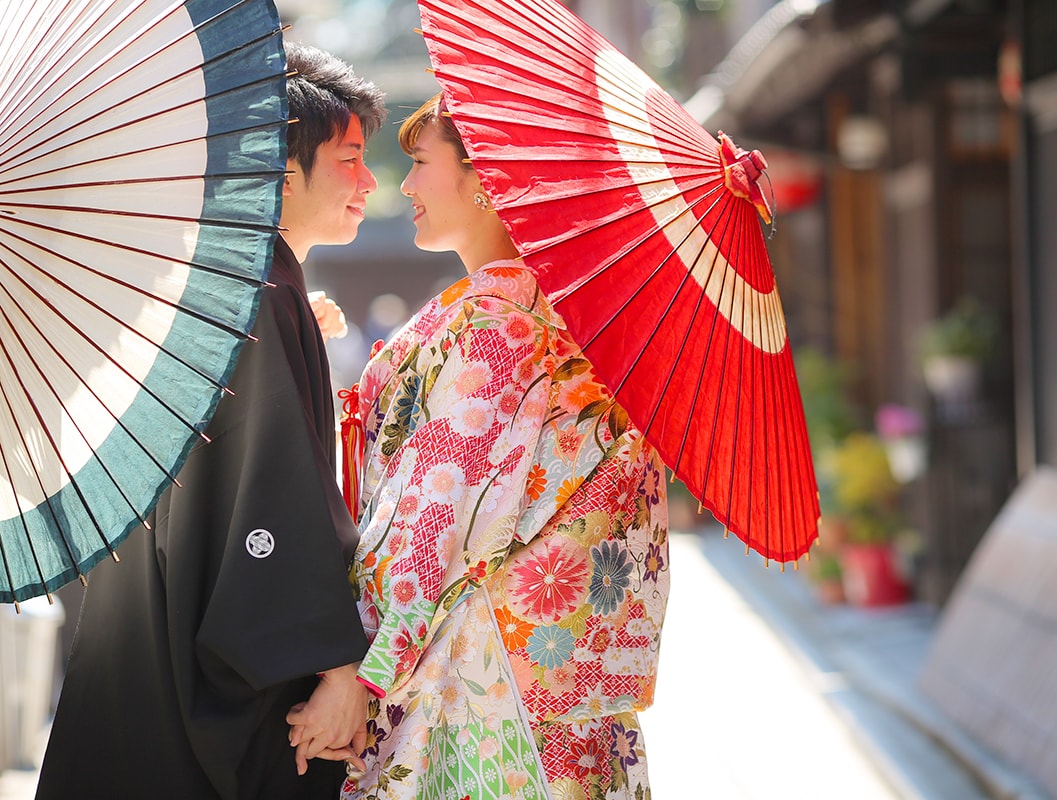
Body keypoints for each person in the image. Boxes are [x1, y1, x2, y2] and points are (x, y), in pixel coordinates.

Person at [288, 94, 671, 800]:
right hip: (559, 680)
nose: (402, 186)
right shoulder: (571, 317)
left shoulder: (491, 328)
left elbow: (428, 523)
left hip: (481, 676)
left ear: (486, 181)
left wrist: (361, 674)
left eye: (420, 163)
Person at [36, 42, 386, 800]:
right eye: (350, 158)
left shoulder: (213, 276)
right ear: (283, 171)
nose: (369, 181)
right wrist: (335, 664)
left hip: (149, 632)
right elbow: (273, 493)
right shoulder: (264, 294)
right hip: (209, 654)